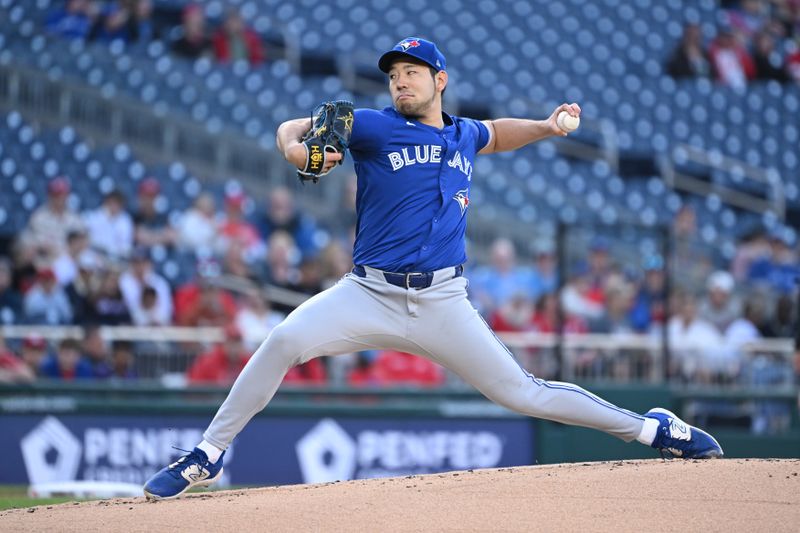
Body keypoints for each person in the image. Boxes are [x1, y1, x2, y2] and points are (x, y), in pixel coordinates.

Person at [144, 37, 723, 500]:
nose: (400, 80)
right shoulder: (372, 126)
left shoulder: (463, 134)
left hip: (444, 302)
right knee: (282, 340)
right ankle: (208, 455)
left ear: (439, 80)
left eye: (412, 71)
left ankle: (654, 429)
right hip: (367, 294)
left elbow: (498, 134)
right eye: (394, 73)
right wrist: (295, 148)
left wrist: (546, 127)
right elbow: (295, 131)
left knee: (525, 393)